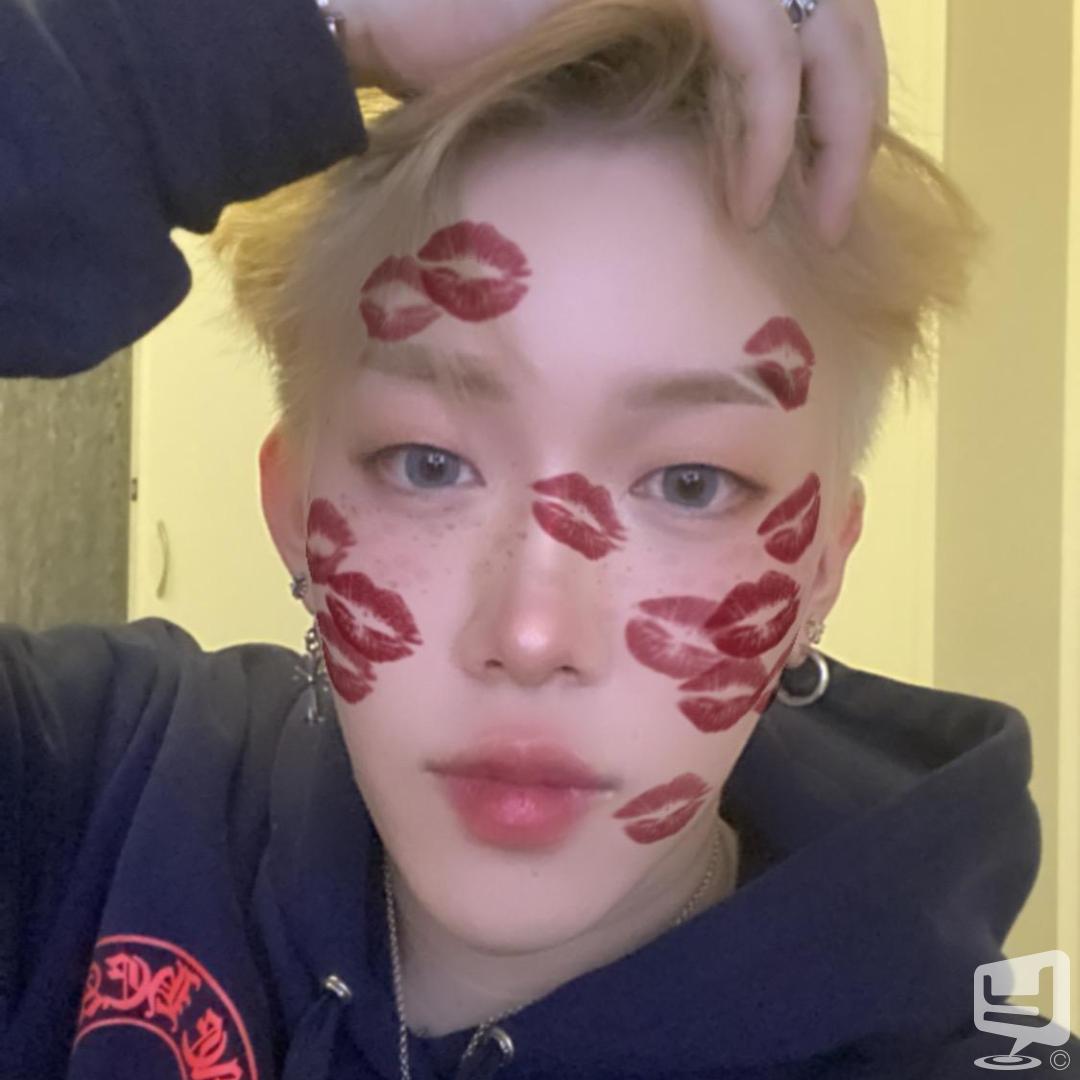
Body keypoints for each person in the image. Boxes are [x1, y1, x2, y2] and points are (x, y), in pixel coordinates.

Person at [0, 4, 1075, 1080]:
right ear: (291, 509)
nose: (530, 633)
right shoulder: (88, 805)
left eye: (690, 483)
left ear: (825, 565)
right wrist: (299, 28)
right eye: (428, 463)